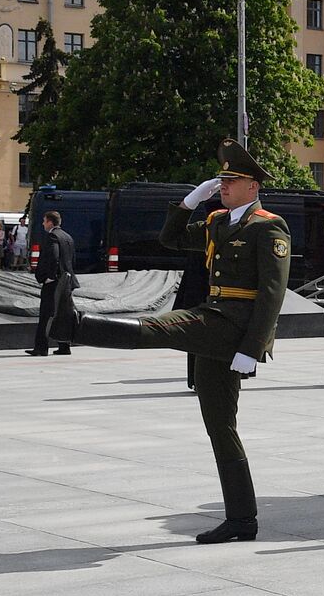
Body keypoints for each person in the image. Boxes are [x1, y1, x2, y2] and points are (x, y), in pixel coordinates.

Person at [48, 139, 292, 544]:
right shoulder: (218, 221)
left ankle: (76, 327)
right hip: (214, 323)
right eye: (222, 181)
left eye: (232, 181)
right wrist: (188, 202)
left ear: (253, 186)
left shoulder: (269, 226)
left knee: (164, 326)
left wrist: (253, 347)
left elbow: (272, 292)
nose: (224, 186)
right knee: (220, 426)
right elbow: (171, 239)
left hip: (229, 325)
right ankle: (243, 519)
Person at [26, 211, 76, 357]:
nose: (43, 224)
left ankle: (41, 348)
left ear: (50, 222)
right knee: (63, 313)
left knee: (46, 314)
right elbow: (72, 260)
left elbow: (54, 256)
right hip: (67, 281)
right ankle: (64, 345)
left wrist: (50, 277)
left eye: (44, 221)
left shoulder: (52, 236)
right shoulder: (68, 237)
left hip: (55, 282)